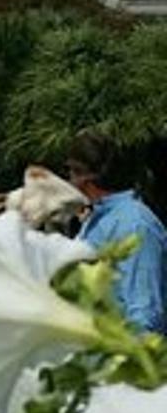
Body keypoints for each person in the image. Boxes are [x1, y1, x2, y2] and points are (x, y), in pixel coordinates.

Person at [68, 131, 167, 334]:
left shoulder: (133, 224)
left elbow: (144, 313)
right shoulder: (98, 218)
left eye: (70, 172)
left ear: (83, 178)